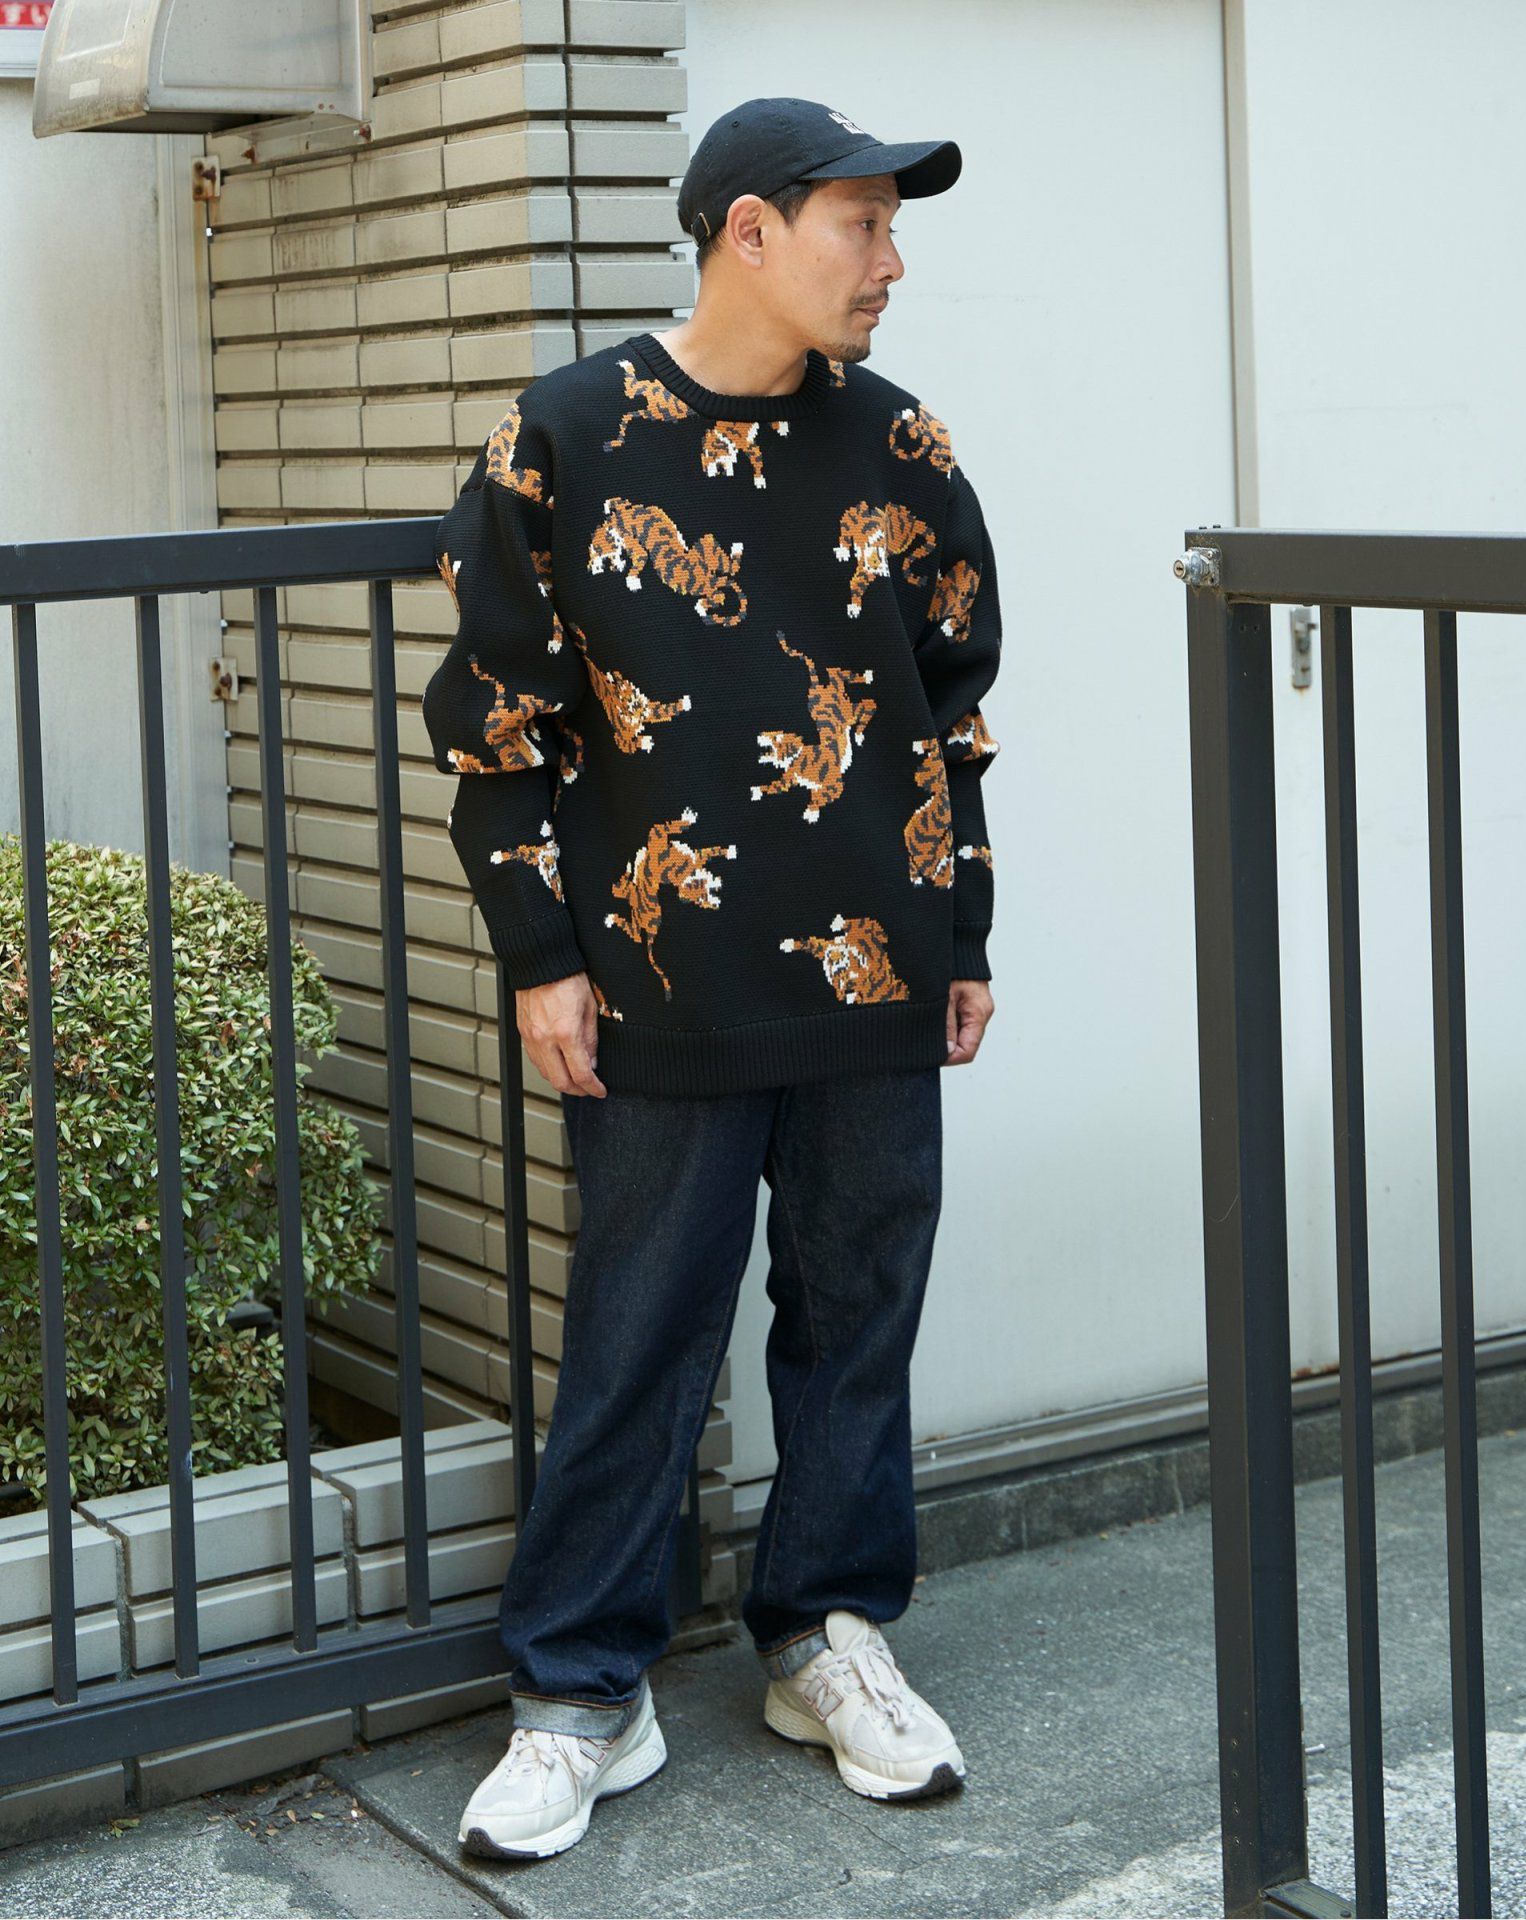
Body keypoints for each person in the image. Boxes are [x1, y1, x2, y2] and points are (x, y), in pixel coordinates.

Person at [419, 95, 1004, 1862]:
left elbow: (954, 711)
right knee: (640, 1331)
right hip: (658, 981)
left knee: (857, 1313)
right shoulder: (565, 437)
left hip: (876, 963)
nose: (890, 263)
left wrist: (964, 933)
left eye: (895, 230)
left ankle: (826, 1636)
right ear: (748, 230)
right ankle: (581, 1693)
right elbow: (496, 730)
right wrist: (540, 958)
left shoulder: (902, 443)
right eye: (861, 225)